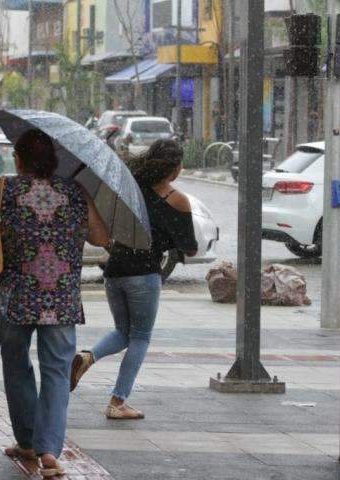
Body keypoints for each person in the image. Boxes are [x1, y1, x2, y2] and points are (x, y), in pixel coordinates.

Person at [0, 129, 110, 477]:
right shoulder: (75, 192)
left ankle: (27, 441)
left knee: (16, 367)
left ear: (18, 160)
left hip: (13, 298)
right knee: (58, 373)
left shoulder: (5, 188)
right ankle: (49, 452)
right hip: (60, 298)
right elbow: (103, 238)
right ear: (53, 161)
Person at [70, 139, 198, 419]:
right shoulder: (176, 199)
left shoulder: (131, 190)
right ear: (174, 169)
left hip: (115, 269)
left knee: (122, 331)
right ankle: (117, 402)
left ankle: (88, 357)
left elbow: (108, 226)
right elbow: (190, 246)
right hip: (144, 272)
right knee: (140, 337)